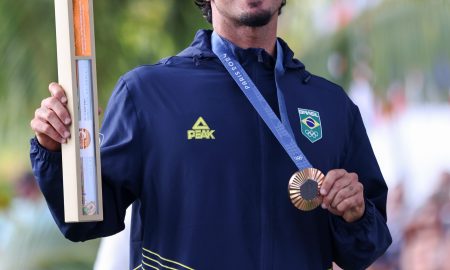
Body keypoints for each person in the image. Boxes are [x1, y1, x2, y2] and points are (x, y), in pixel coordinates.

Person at [30, 0, 391, 269]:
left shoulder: (331, 106)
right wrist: (54, 150)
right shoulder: (148, 93)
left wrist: (356, 214)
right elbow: (88, 218)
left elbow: (364, 249)